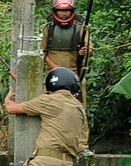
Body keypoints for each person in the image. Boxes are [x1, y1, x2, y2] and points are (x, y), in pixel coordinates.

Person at [41, 0, 93, 156]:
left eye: (67, 11)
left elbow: (90, 48)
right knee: (50, 108)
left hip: (75, 74)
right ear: (55, 11)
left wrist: (86, 51)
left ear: (72, 12)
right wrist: (55, 68)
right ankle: (52, 144)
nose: (64, 14)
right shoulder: (47, 28)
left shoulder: (82, 27)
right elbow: (43, 53)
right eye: (60, 11)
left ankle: (82, 145)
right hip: (53, 73)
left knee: (79, 109)